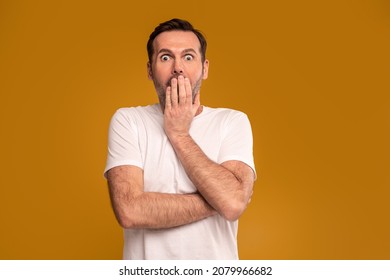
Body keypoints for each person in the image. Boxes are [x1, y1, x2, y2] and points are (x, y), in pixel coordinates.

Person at [104, 18, 256, 260]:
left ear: (204, 68)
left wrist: (179, 134)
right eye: (165, 57)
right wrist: (220, 200)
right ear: (149, 69)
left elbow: (233, 203)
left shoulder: (232, 121)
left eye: (188, 57)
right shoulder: (128, 121)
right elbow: (130, 211)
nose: (177, 67)